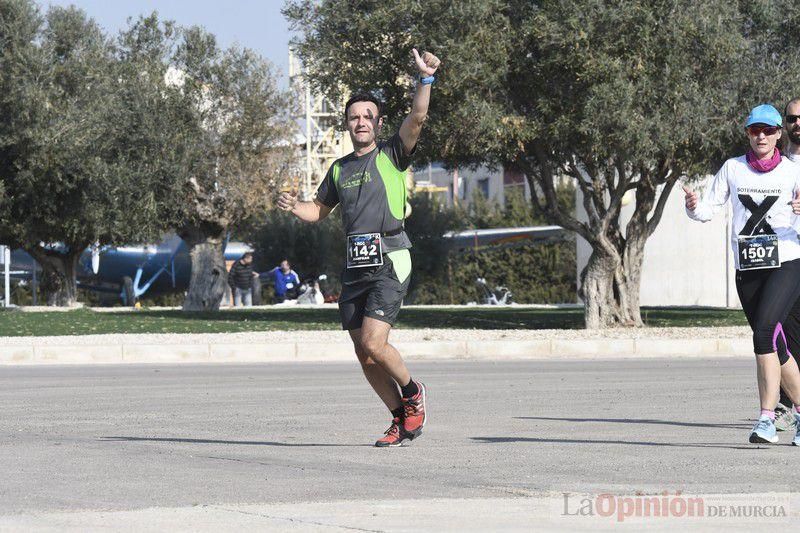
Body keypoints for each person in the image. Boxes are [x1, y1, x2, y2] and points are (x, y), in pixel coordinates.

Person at [277, 48, 440, 447]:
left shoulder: (392, 154)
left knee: (373, 342)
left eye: (368, 116)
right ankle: (401, 419)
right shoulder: (339, 169)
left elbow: (417, 117)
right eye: (355, 116)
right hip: (355, 266)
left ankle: (413, 392)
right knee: (364, 355)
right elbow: (318, 210)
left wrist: (425, 79)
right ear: (347, 124)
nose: (361, 121)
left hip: (390, 257)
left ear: (379, 124)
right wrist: (293, 207)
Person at [683, 104, 800, 445]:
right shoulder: (732, 169)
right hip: (748, 268)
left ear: (779, 134)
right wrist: (692, 207)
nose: (761, 136)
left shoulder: (793, 172)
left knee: (764, 333)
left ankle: (765, 418)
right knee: (775, 344)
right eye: (754, 130)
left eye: (767, 130)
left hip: (787, 262)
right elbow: (708, 209)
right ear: (748, 133)